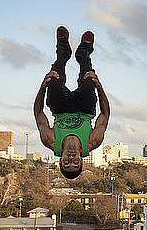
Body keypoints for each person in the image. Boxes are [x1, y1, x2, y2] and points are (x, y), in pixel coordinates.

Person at [34, 26, 110, 179]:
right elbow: (105, 114)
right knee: (89, 81)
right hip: (84, 109)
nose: (71, 160)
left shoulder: (50, 141)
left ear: (60, 161)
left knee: (54, 81)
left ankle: (63, 49)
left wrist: (44, 84)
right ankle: (84, 51)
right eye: (75, 163)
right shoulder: (92, 141)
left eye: (66, 164)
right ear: (81, 161)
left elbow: (39, 113)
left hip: (61, 110)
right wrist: (98, 85)